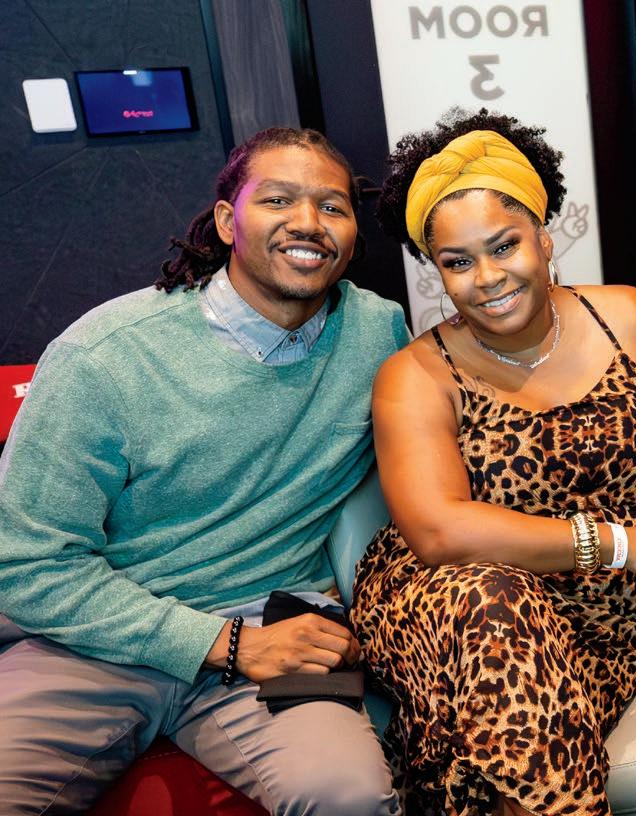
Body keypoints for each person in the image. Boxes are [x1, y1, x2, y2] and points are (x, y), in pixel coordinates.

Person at [0, 127, 407, 814]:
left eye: (332, 206)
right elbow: (25, 561)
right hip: (99, 633)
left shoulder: (377, 334)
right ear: (226, 221)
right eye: (278, 199)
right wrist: (221, 643)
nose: (308, 222)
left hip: (278, 624)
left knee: (351, 798)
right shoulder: (106, 354)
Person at [349, 108, 636, 816]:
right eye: (457, 262)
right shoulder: (416, 375)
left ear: (544, 237)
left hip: (595, 613)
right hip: (453, 601)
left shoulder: (632, 319)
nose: (486, 277)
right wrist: (617, 544)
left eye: (503, 245)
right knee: (496, 609)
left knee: (504, 722)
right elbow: (440, 534)